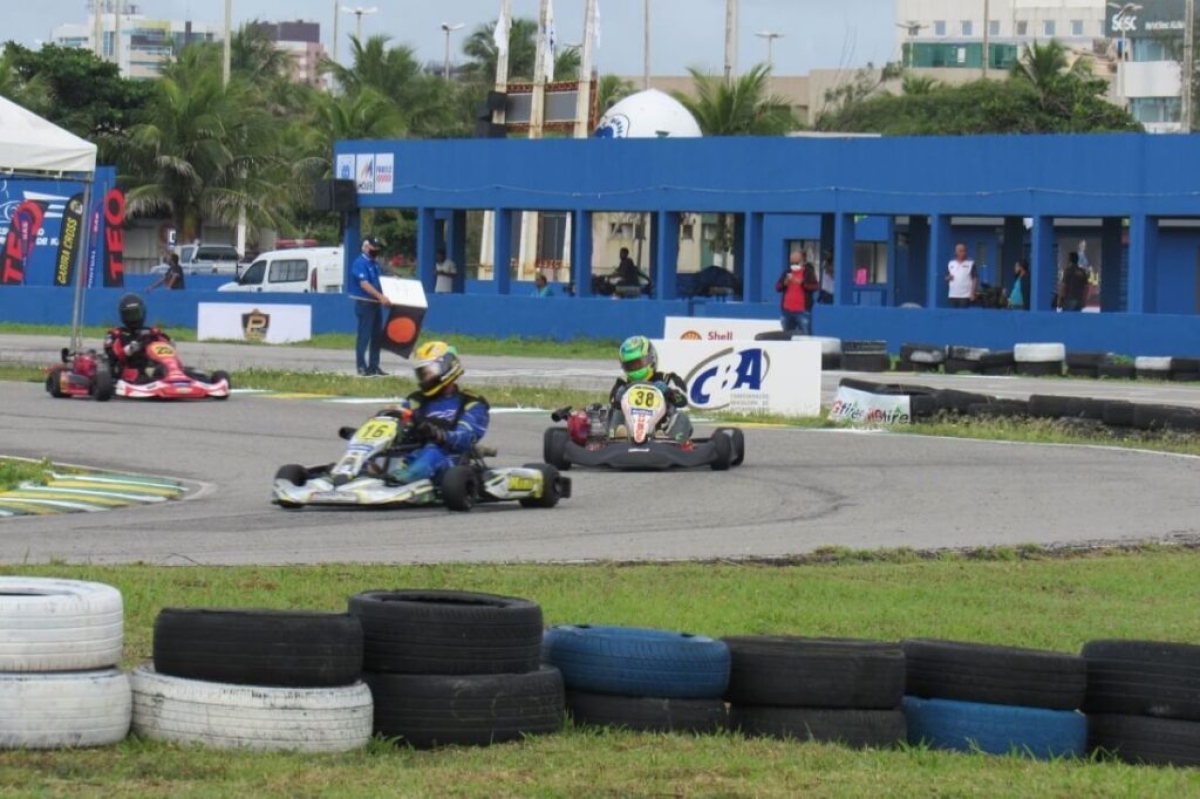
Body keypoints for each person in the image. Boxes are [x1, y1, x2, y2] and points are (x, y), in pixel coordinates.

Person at [382, 342, 490, 488]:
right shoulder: (416, 400)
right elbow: (400, 425)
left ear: (446, 367)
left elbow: (465, 438)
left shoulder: (471, 403)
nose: (424, 378)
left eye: (428, 372)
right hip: (413, 453)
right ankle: (355, 475)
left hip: (449, 460)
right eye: (422, 373)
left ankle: (401, 479)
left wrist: (435, 432)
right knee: (381, 453)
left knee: (431, 453)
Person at [607, 335, 692, 442]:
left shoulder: (667, 379)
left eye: (639, 363)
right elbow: (612, 401)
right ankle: (616, 438)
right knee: (610, 411)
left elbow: (683, 400)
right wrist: (619, 396)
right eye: (631, 365)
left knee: (682, 417)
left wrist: (668, 392)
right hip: (629, 432)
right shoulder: (623, 384)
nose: (635, 368)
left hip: (661, 430)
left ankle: (668, 441)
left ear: (651, 358)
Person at [103, 293, 170, 383]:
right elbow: (112, 355)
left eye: (136, 314)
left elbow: (166, 346)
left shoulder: (152, 332)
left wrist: (168, 345)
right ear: (123, 316)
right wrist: (129, 349)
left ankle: (174, 377)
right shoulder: (116, 334)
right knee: (141, 377)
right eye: (130, 315)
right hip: (128, 370)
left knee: (166, 369)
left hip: (151, 367)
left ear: (143, 312)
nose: (133, 318)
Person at [348, 236, 391, 376]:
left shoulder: (375, 264)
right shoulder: (359, 263)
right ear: (366, 247)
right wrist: (381, 297)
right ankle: (361, 366)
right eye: (374, 248)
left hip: (376, 304)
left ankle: (374, 366)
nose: (376, 251)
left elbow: (381, 282)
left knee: (377, 336)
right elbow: (364, 284)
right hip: (365, 304)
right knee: (364, 336)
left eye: (378, 248)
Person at [775, 252, 819, 333]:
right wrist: (784, 283)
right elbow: (777, 287)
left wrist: (801, 283)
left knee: (806, 334)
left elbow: (815, 287)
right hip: (787, 311)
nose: (794, 265)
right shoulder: (787, 272)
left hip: (802, 311)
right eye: (792, 263)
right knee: (787, 335)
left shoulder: (808, 272)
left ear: (802, 262)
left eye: (796, 263)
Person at [945, 242, 977, 308]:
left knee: (963, 315)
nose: (963, 252)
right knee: (953, 315)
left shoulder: (971, 263)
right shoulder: (951, 263)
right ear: (956, 252)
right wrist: (949, 277)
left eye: (964, 250)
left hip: (965, 295)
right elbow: (946, 277)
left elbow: (974, 278)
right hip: (953, 294)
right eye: (960, 251)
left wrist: (972, 293)